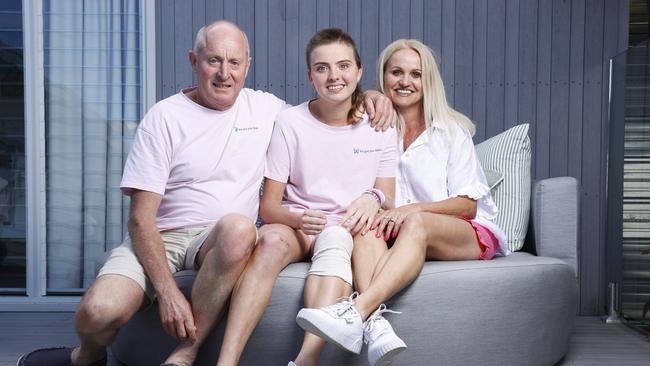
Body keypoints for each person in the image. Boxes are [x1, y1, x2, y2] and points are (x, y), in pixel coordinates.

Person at [18, 21, 395, 366]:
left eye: (234, 62)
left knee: (238, 229)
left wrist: (375, 97)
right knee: (97, 313)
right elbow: (140, 218)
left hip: (217, 240)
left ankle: (187, 353)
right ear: (194, 61)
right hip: (161, 237)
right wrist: (167, 292)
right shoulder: (165, 117)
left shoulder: (267, 111)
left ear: (248, 65)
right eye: (214, 60)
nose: (224, 73)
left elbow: (327, 107)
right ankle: (85, 356)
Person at [295, 39, 511, 366]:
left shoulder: (451, 131)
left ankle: (356, 311)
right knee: (365, 228)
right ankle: (376, 327)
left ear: (429, 81)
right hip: (400, 232)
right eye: (396, 72)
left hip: (464, 232)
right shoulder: (372, 128)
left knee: (416, 222)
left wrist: (411, 210)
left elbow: (467, 206)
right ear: (383, 77)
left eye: (415, 74)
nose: (405, 82)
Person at [214, 28, 397, 366]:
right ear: (310, 77)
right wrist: (296, 218)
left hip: (345, 228)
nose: (334, 76)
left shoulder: (380, 124)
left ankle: (306, 361)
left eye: (343, 66)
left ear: (359, 72)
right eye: (322, 68)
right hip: (298, 224)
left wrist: (373, 197)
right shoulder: (289, 123)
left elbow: (387, 197)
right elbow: (269, 207)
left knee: (336, 239)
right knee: (269, 243)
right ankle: (227, 361)